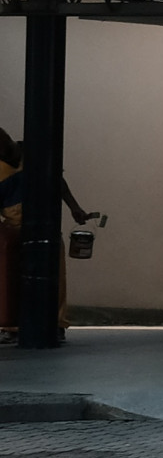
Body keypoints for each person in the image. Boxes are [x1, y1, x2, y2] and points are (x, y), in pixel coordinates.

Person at [0, 126, 97, 339]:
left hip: (43, 223)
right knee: (11, 277)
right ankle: (11, 326)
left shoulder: (34, 152)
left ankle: (56, 323)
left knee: (54, 274)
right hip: (13, 226)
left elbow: (57, 182)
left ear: (7, 140)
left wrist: (75, 207)